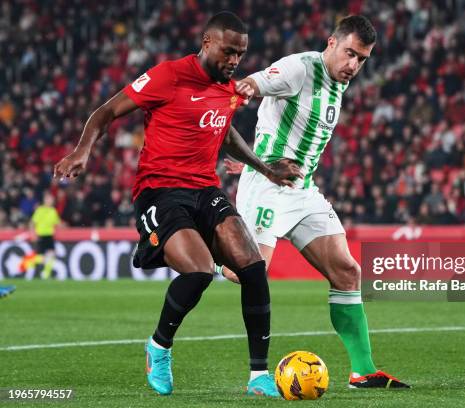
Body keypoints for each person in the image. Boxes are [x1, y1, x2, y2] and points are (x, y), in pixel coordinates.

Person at [54, 11, 300, 397]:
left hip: (205, 189)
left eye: (241, 53)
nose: (235, 60)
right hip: (159, 190)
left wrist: (267, 170)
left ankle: (259, 376)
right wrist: (82, 151)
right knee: (200, 272)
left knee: (253, 268)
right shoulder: (168, 76)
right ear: (207, 42)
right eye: (229, 51)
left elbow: (225, 132)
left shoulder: (229, 89)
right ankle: (159, 347)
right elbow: (106, 112)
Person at [222, 15, 409, 389]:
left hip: (303, 190)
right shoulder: (301, 68)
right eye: (350, 54)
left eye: (363, 60)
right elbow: (258, 82)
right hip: (268, 188)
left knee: (347, 271)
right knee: (242, 273)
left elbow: (288, 132)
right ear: (331, 43)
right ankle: (203, 256)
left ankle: (363, 370)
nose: (354, 65)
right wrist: (244, 88)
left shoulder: (338, 81)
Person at [19, 192, 61, 279]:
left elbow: (57, 223)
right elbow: (32, 223)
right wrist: (33, 233)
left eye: (51, 199)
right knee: (42, 257)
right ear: (45, 200)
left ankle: (46, 274)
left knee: (51, 254)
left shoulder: (53, 211)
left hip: (49, 235)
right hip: (41, 235)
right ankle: (27, 261)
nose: (50, 201)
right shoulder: (40, 210)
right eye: (48, 199)